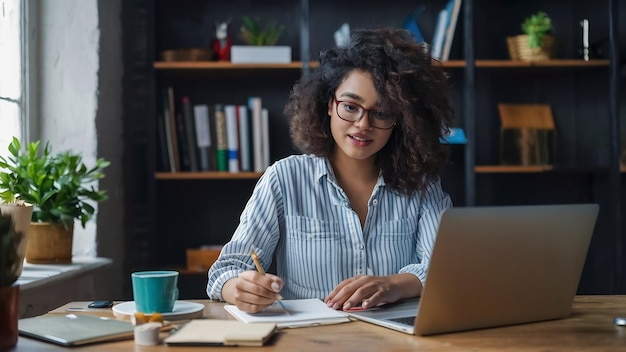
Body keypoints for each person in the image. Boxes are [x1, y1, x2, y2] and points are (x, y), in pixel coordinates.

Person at [207, 28, 454, 313]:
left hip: (397, 338)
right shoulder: (284, 180)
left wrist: (394, 284)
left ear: (402, 121)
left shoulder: (422, 185)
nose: (363, 124)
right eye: (350, 106)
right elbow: (225, 270)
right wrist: (238, 288)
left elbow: (443, 269)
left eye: (382, 113)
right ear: (328, 105)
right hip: (310, 338)